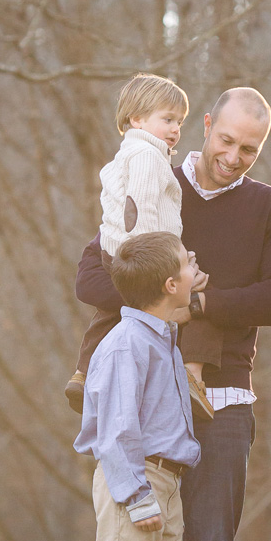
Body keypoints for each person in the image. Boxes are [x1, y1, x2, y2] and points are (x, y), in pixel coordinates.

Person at [73, 86, 271, 541]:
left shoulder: (270, 206)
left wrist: (198, 304)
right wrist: (170, 296)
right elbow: (92, 277)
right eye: (226, 140)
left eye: (249, 150)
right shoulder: (155, 179)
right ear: (204, 125)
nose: (233, 157)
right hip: (146, 404)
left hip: (221, 399)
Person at [64, 73, 219, 422]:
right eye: (167, 119)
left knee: (111, 314)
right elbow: (142, 207)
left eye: (178, 121)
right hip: (142, 252)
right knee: (185, 299)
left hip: (121, 247)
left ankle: (85, 372)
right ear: (136, 119)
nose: (175, 128)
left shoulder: (133, 153)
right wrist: (167, 260)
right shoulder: (148, 157)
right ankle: (188, 380)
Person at [73, 231, 202, 541]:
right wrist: (136, 497)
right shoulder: (126, 344)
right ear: (171, 284)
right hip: (135, 483)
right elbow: (116, 430)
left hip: (166, 484)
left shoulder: (161, 337)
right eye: (186, 263)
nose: (194, 268)